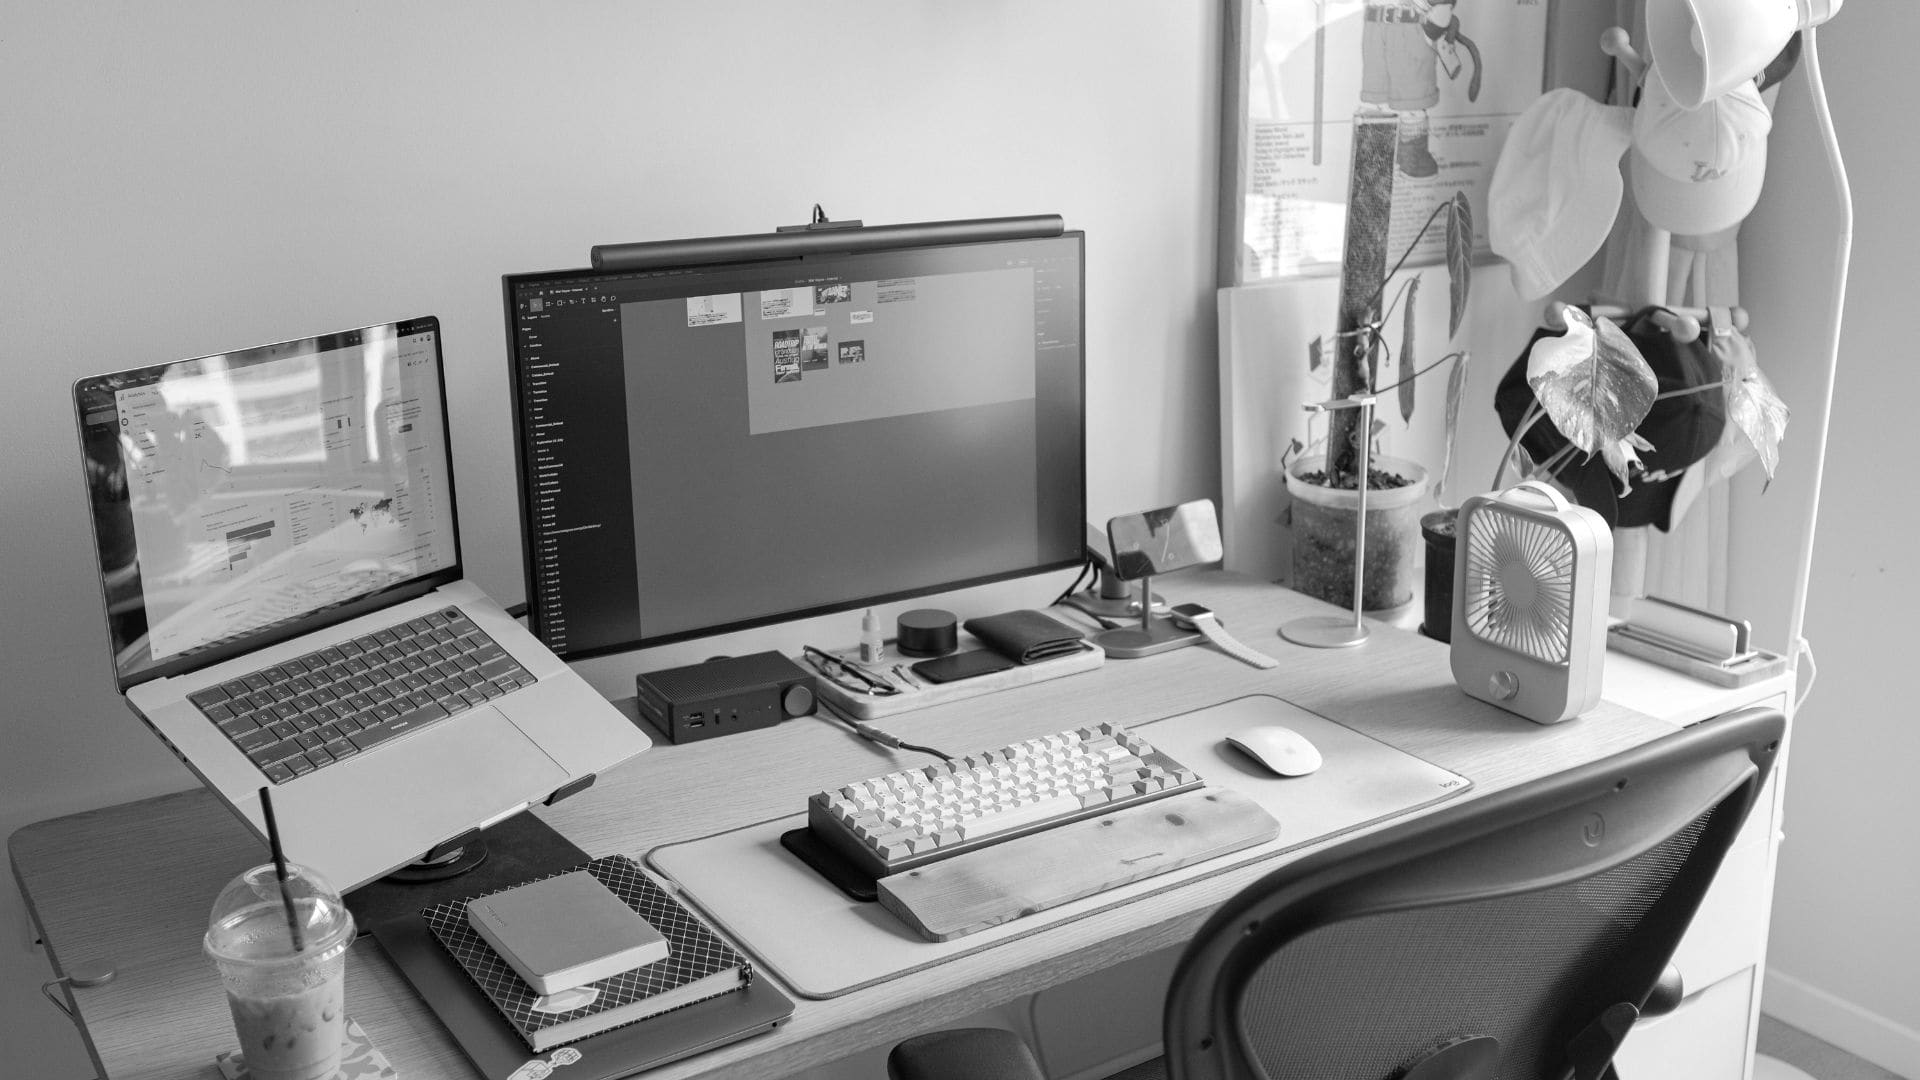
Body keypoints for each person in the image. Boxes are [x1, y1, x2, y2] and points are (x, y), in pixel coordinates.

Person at [1359, 0, 1462, 178]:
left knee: (1412, 100)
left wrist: (1442, 11)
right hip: (1375, 27)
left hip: (1411, 28)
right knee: (1376, 100)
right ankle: (1375, 162)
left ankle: (1413, 156)